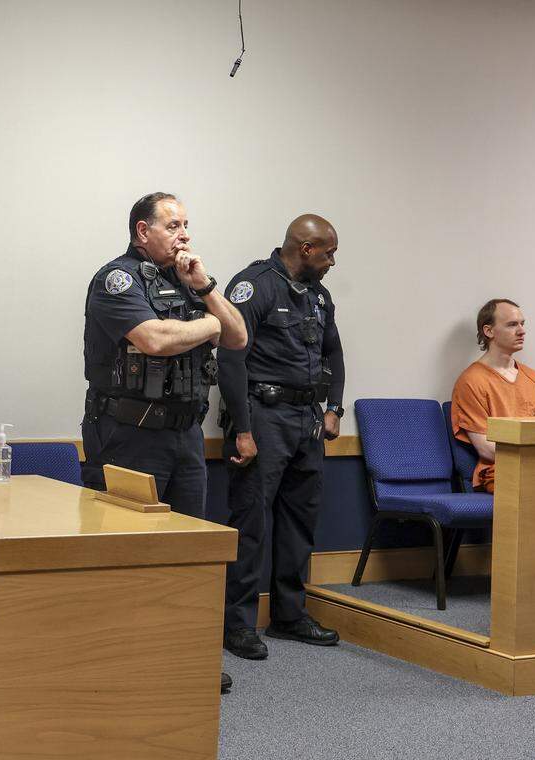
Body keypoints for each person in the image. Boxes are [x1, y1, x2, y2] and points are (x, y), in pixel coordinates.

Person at [82, 191, 247, 693]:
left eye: (186, 224)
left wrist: (207, 289)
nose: (185, 235)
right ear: (142, 231)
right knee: (125, 550)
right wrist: (209, 324)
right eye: (173, 225)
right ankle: (118, 656)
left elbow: (238, 337)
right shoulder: (117, 280)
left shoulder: (188, 281)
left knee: (188, 550)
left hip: (185, 436)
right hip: (129, 435)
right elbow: (153, 339)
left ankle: (184, 652)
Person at [218, 214, 344, 661]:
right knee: (250, 521)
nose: (332, 261)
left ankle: (290, 615)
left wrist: (334, 408)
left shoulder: (318, 295)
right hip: (263, 417)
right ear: (306, 248)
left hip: (306, 419)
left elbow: (333, 350)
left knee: (299, 520)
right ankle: (237, 625)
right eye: (328, 252)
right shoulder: (254, 286)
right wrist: (244, 430)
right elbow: (231, 360)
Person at [451, 298, 535, 493]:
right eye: (512, 325)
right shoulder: (471, 381)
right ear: (489, 331)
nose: (522, 331)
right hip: (504, 472)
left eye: (522, 324)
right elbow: (487, 449)